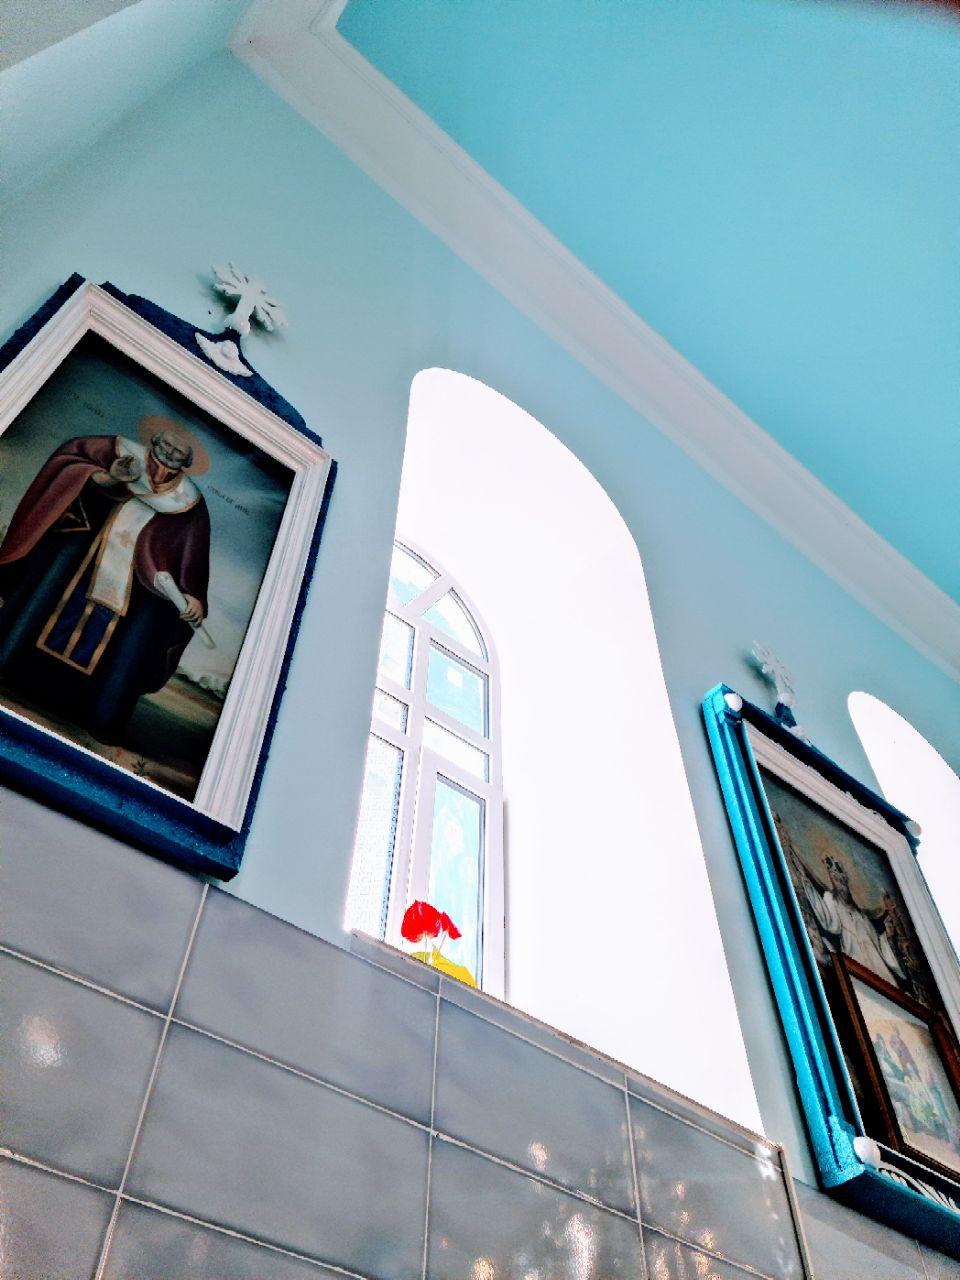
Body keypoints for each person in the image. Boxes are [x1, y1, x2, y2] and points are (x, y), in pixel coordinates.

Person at [0, 416, 210, 742]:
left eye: (178, 452)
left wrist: (193, 595)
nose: (169, 453)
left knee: (118, 648)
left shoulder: (190, 503)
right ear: (153, 442)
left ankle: (90, 711)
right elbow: (69, 465)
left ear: (186, 462)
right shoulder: (117, 451)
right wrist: (107, 478)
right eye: (166, 445)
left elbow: (193, 557)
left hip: (137, 587)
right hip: (79, 556)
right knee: (46, 608)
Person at [801, 855, 906, 987]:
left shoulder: (862, 916)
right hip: (855, 965)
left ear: (846, 881)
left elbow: (880, 948)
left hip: (879, 971)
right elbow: (831, 924)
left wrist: (888, 936)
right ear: (831, 881)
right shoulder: (832, 899)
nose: (840, 882)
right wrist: (807, 884)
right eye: (835, 878)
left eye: (842, 878)